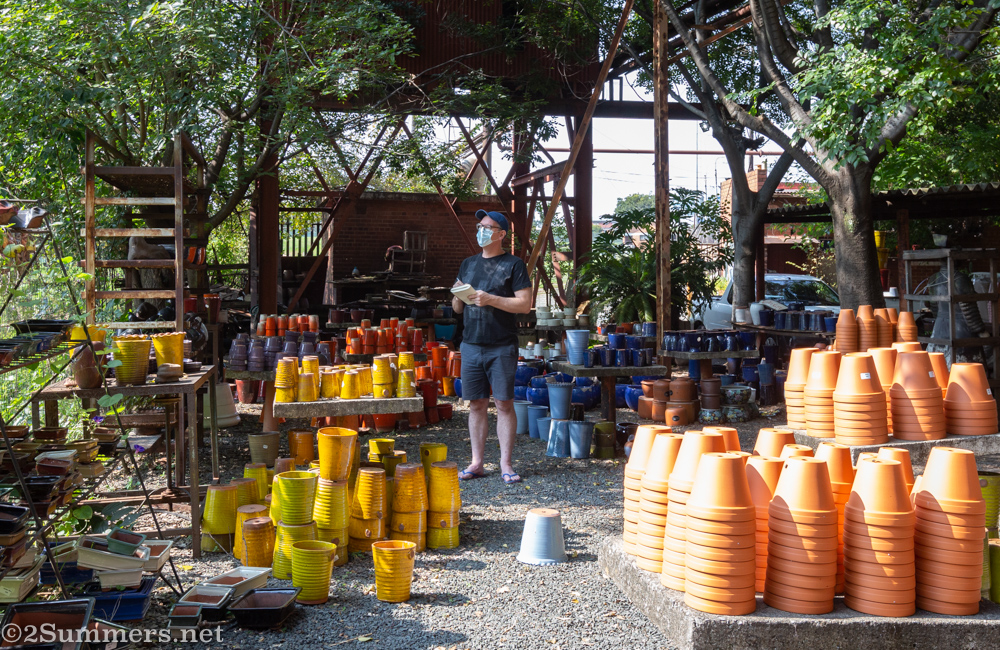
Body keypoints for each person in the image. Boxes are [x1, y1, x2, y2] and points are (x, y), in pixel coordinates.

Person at [452, 209, 532, 484]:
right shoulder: (468, 264)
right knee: (476, 405)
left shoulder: (514, 265)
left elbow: (524, 305)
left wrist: (490, 299)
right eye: (479, 226)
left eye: (487, 227)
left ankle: (506, 464)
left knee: (504, 404)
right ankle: (477, 463)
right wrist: (458, 295)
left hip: (501, 345)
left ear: (501, 235)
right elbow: (457, 309)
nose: (481, 230)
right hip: (471, 344)